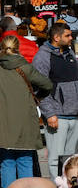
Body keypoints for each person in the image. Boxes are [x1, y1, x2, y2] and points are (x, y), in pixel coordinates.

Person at [0, 34, 51, 188]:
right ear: (18, 48)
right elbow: (47, 85)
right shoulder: (26, 67)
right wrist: (37, 96)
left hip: (2, 123)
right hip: (24, 122)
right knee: (25, 161)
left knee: (6, 163)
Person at [32, 21, 78, 178]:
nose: (71, 38)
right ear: (56, 37)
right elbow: (39, 88)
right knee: (55, 159)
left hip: (74, 114)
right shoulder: (43, 57)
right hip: (57, 116)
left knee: (71, 159)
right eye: (68, 35)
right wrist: (49, 113)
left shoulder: (69, 53)